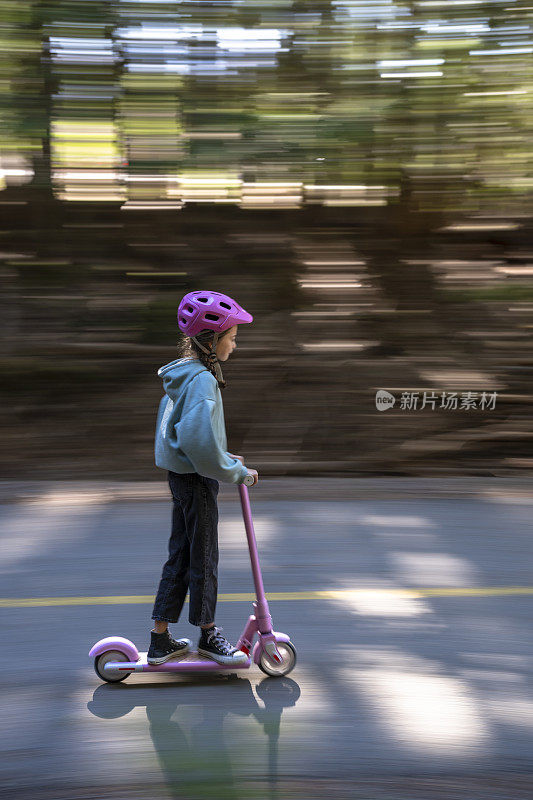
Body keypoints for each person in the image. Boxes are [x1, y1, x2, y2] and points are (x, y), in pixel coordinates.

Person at [147, 290, 259, 666]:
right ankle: (209, 635)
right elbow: (198, 442)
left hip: (180, 476)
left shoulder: (183, 375)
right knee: (204, 556)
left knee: (179, 555)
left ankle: (159, 638)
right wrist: (236, 472)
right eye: (232, 337)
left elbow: (178, 433)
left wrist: (221, 457)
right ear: (212, 340)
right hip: (196, 479)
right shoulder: (202, 382)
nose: (235, 345)